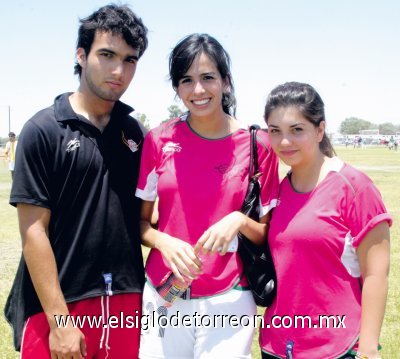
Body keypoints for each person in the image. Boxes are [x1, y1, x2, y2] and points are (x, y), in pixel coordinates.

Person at [4, 4, 148, 358]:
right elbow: (33, 231)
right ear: (81, 55)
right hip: (59, 306)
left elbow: (150, 214)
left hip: (126, 302)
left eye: (130, 60)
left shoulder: (135, 134)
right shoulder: (43, 130)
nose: (119, 70)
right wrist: (59, 322)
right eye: (107, 55)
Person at [135, 33, 279, 358]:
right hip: (163, 294)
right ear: (176, 88)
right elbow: (140, 224)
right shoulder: (158, 140)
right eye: (186, 80)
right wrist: (163, 242)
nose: (198, 90)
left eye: (208, 78)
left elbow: (266, 235)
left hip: (229, 297)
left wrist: (239, 220)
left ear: (226, 82)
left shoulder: (259, 145)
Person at [260, 82, 392, 359]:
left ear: (320, 130)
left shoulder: (355, 187)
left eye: (297, 130)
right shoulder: (276, 190)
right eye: (275, 131)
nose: (285, 141)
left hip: (335, 347)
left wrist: (368, 347)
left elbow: (376, 275)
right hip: (276, 344)